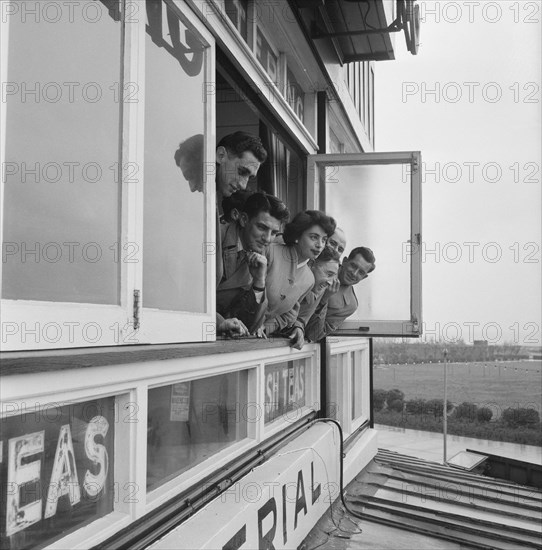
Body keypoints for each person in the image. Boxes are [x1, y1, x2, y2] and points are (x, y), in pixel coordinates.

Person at [214, 132, 268, 335]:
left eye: (249, 177)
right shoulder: (199, 201)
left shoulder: (211, 202)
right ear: (221, 155)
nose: (244, 185)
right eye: (242, 171)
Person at [217, 193, 290, 334]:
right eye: (262, 228)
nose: (267, 239)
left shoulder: (259, 260)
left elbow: (251, 326)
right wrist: (218, 322)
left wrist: (259, 282)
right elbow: (188, 295)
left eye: (274, 232)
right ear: (244, 220)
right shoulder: (214, 237)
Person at [263, 210, 336, 349]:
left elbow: (286, 316)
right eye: (314, 237)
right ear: (297, 235)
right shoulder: (270, 252)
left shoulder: (309, 279)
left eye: (324, 239)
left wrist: (266, 327)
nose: (320, 245)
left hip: (260, 340)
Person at [305, 246, 376, 342]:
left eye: (361, 272)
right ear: (345, 261)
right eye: (353, 266)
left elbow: (314, 334)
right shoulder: (324, 264)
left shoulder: (350, 305)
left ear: (364, 277)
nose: (354, 273)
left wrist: (324, 299)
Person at [297, 248, 340, 328]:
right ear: (311, 265)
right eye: (328, 274)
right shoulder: (293, 283)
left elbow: (304, 323)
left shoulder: (319, 290)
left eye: (333, 277)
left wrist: (298, 328)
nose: (330, 283)